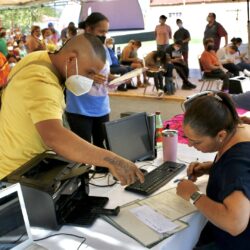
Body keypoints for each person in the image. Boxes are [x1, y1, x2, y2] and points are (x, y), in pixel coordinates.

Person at [0, 33, 144, 186]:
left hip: (24, 165)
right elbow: (54, 136)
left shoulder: (40, 58)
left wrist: (87, 73)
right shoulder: (41, 82)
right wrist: (113, 161)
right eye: (89, 72)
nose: (90, 79)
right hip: (16, 175)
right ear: (70, 59)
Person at [177, 91, 250, 250]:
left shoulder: (236, 164)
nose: (189, 144)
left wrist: (193, 195)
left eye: (196, 141)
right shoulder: (240, 128)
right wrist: (212, 168)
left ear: (221, 135)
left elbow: (235, 223)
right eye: (187, 137)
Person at [65, 12, 114, 173]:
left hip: (101, 106)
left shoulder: (104, 49)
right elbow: (65, 74)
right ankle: (83, 188)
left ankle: (103, 186)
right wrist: (90, 78)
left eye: (106, 32)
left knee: (102, 148)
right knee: (83, 152)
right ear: (88, 29)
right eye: (101, 32)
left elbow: (106, 73)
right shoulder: (73, 48)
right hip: (79, 109)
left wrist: (116, 79)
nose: (104, 35)